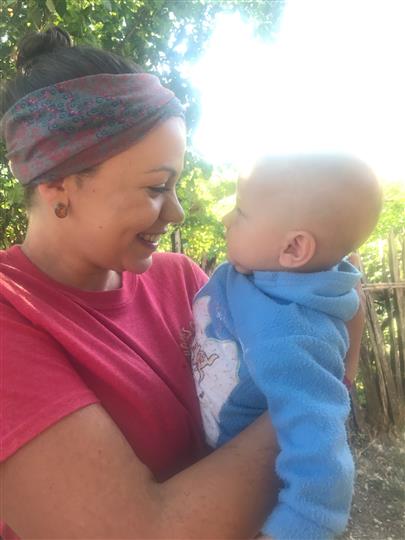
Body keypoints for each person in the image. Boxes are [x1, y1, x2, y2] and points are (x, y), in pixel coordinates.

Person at [0, 26, 364, 539]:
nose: (175, 211)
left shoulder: (189, 284)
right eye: (155, 187)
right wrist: (321, 387)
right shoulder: (11, 316)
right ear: (58, 182)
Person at [191, 154, 382, 539]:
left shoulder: (292, 335)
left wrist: (299, 526)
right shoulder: (256, 273)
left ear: (294, 249)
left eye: (241, 212)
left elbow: (322, 456)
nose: (227, 218)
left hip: (243, 497)